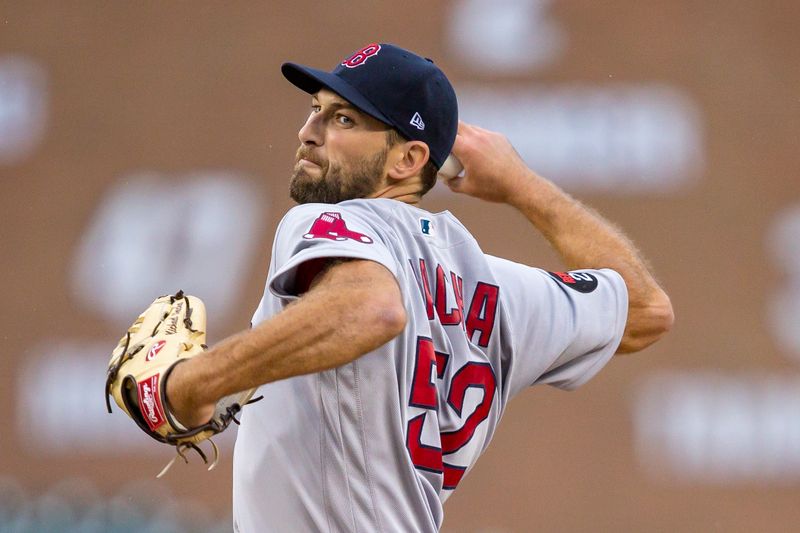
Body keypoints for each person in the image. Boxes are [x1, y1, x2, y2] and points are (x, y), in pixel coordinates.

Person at [165, 43, 674, 532]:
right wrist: (522, 185)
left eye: (342, 119)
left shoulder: (326, 221)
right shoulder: (494, 285)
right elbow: (645, 311)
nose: (308, 132)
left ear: (407, 160)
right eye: (315, 110)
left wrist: (192, 384)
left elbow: (372, 309)